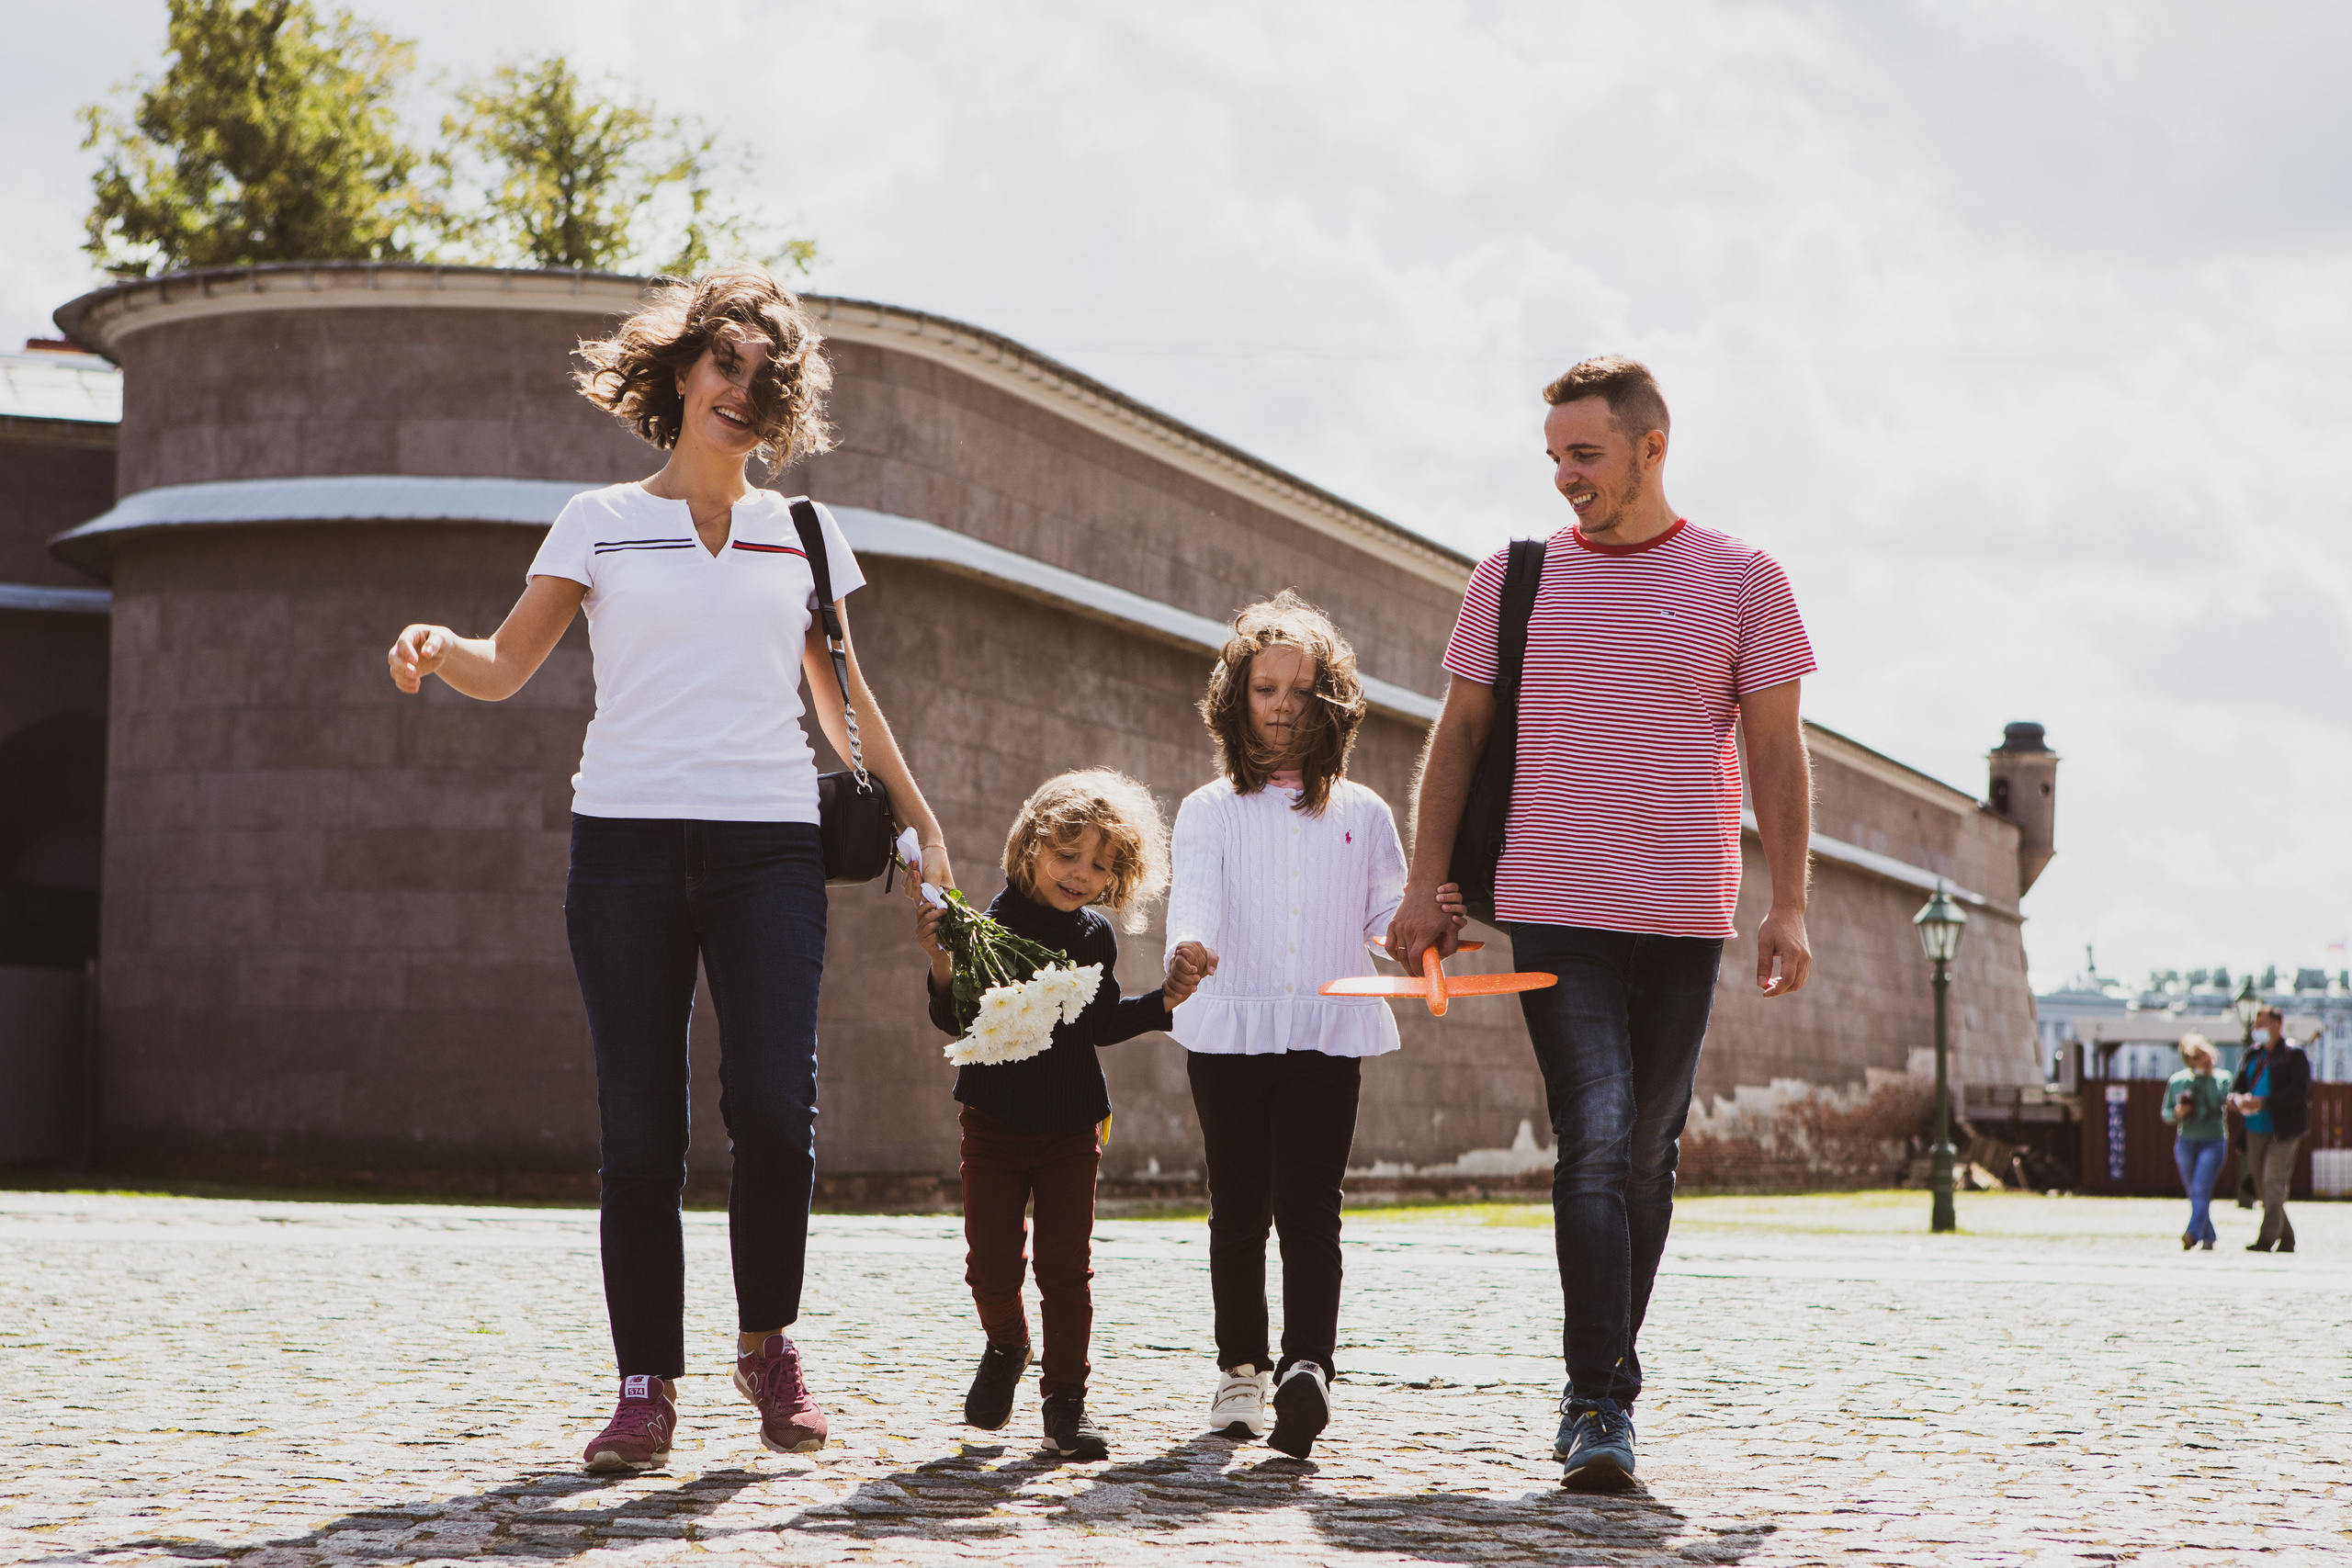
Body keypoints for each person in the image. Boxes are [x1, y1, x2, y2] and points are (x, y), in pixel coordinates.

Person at [387, 268, 956, 1473]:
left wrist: (923, 823)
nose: (741, 389)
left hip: (769, 847)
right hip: (627, 848)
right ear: (683, 372)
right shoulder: (598, 519)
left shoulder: (804, 532)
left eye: (764, 374)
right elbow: (508, 662)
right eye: (724, 363)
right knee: (639, 1125)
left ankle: (769, 1344)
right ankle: (644, 1383)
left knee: (774, 1105)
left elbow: (847, 701)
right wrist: (442, 650)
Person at [1386, 356, 1816, 1493]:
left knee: (1646, 1156)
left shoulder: (1744, 578)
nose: (1565, 479)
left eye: (1585, 455)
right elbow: (1462, 733)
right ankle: (1598, 1401)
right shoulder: (1512, 578)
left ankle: (1605, 1374)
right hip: (1554, 905)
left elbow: (1774, 750)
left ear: (1649, 447)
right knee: (1597, 1134)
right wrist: (1427, 882)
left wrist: (1790, 904)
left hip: (1683, 913)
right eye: (1554, 459)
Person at [1160, 592, 1468, 1461]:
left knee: (1310, 1209)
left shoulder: (1364, 813)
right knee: (1237, 1209)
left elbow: (1385, 916)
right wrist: (1190, 949)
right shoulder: (1208, 809)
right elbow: (1199, 898)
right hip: (1228, 1028)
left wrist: (1422, 934)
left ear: (1329, 701)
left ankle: (1307, 1368)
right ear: (1238, 697)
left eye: (1302, 689)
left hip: (1329, 1031)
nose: (1284, 704)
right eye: (1266, 688)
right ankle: (1240, 1371)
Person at [916, 770, 1200, 1461]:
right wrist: (940, 958)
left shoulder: (1096, 936)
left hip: (1074, 1125)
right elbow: (952, 1015)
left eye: (1101, 865)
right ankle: (1008, 1343)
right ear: (1033, 846)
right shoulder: (993, 922)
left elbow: (1099, 1022)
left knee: (1066, 1269)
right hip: (992, 1120)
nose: (1081, 874)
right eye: (1068, 855)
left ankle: (1064, 1406)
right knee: (990, 1266)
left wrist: (1165, 1000)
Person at [2229, 1007, 2312, 1254]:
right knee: (2263, 1188)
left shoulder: (2293, 1054)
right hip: (2254, 1129)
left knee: (2273, 1182)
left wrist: (2264, 1102)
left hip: (2284, 1131)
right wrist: (2235, 1099)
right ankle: (2287, 1238)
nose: (2256, 1029)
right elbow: (2238, 1086)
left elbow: (2300, 1091)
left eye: (2260, 1023)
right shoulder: (2251, 1054)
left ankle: (2266, 1240)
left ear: (2276, 1024)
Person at [2161, 1034, 2229, 1250]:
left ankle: (2192, 1233)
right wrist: (2178, 1113)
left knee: (2200, 1188)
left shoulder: (2222, 1078)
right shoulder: (2178, 1081)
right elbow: (2166, 1113)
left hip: (2213, 1140)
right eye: (2194, 1058)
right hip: (2187, 1142)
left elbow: (2218, 1101)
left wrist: (2208, 1077)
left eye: (2202, 1056)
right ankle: (2209, 1235)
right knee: (2195, 1192)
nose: (2198, 1061)